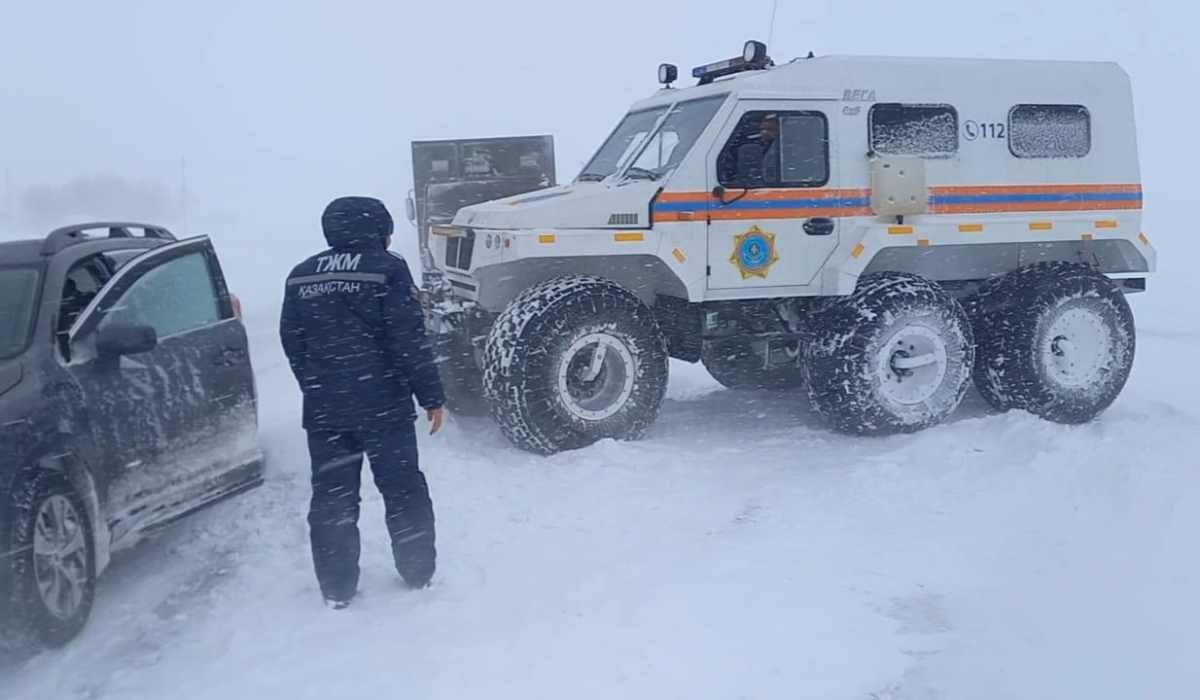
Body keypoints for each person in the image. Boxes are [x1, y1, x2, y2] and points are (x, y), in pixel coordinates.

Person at [279, 195, 446, 609]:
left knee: (333, 495)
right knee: (403, 488)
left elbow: (291, 341)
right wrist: (431, 396)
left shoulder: (301, 275)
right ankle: (417, 571)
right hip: (383, 404)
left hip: (325, 409)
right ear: (378, 230)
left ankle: (337, 587)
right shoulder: (387, 269)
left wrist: (318, 384)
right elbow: (408, 339)